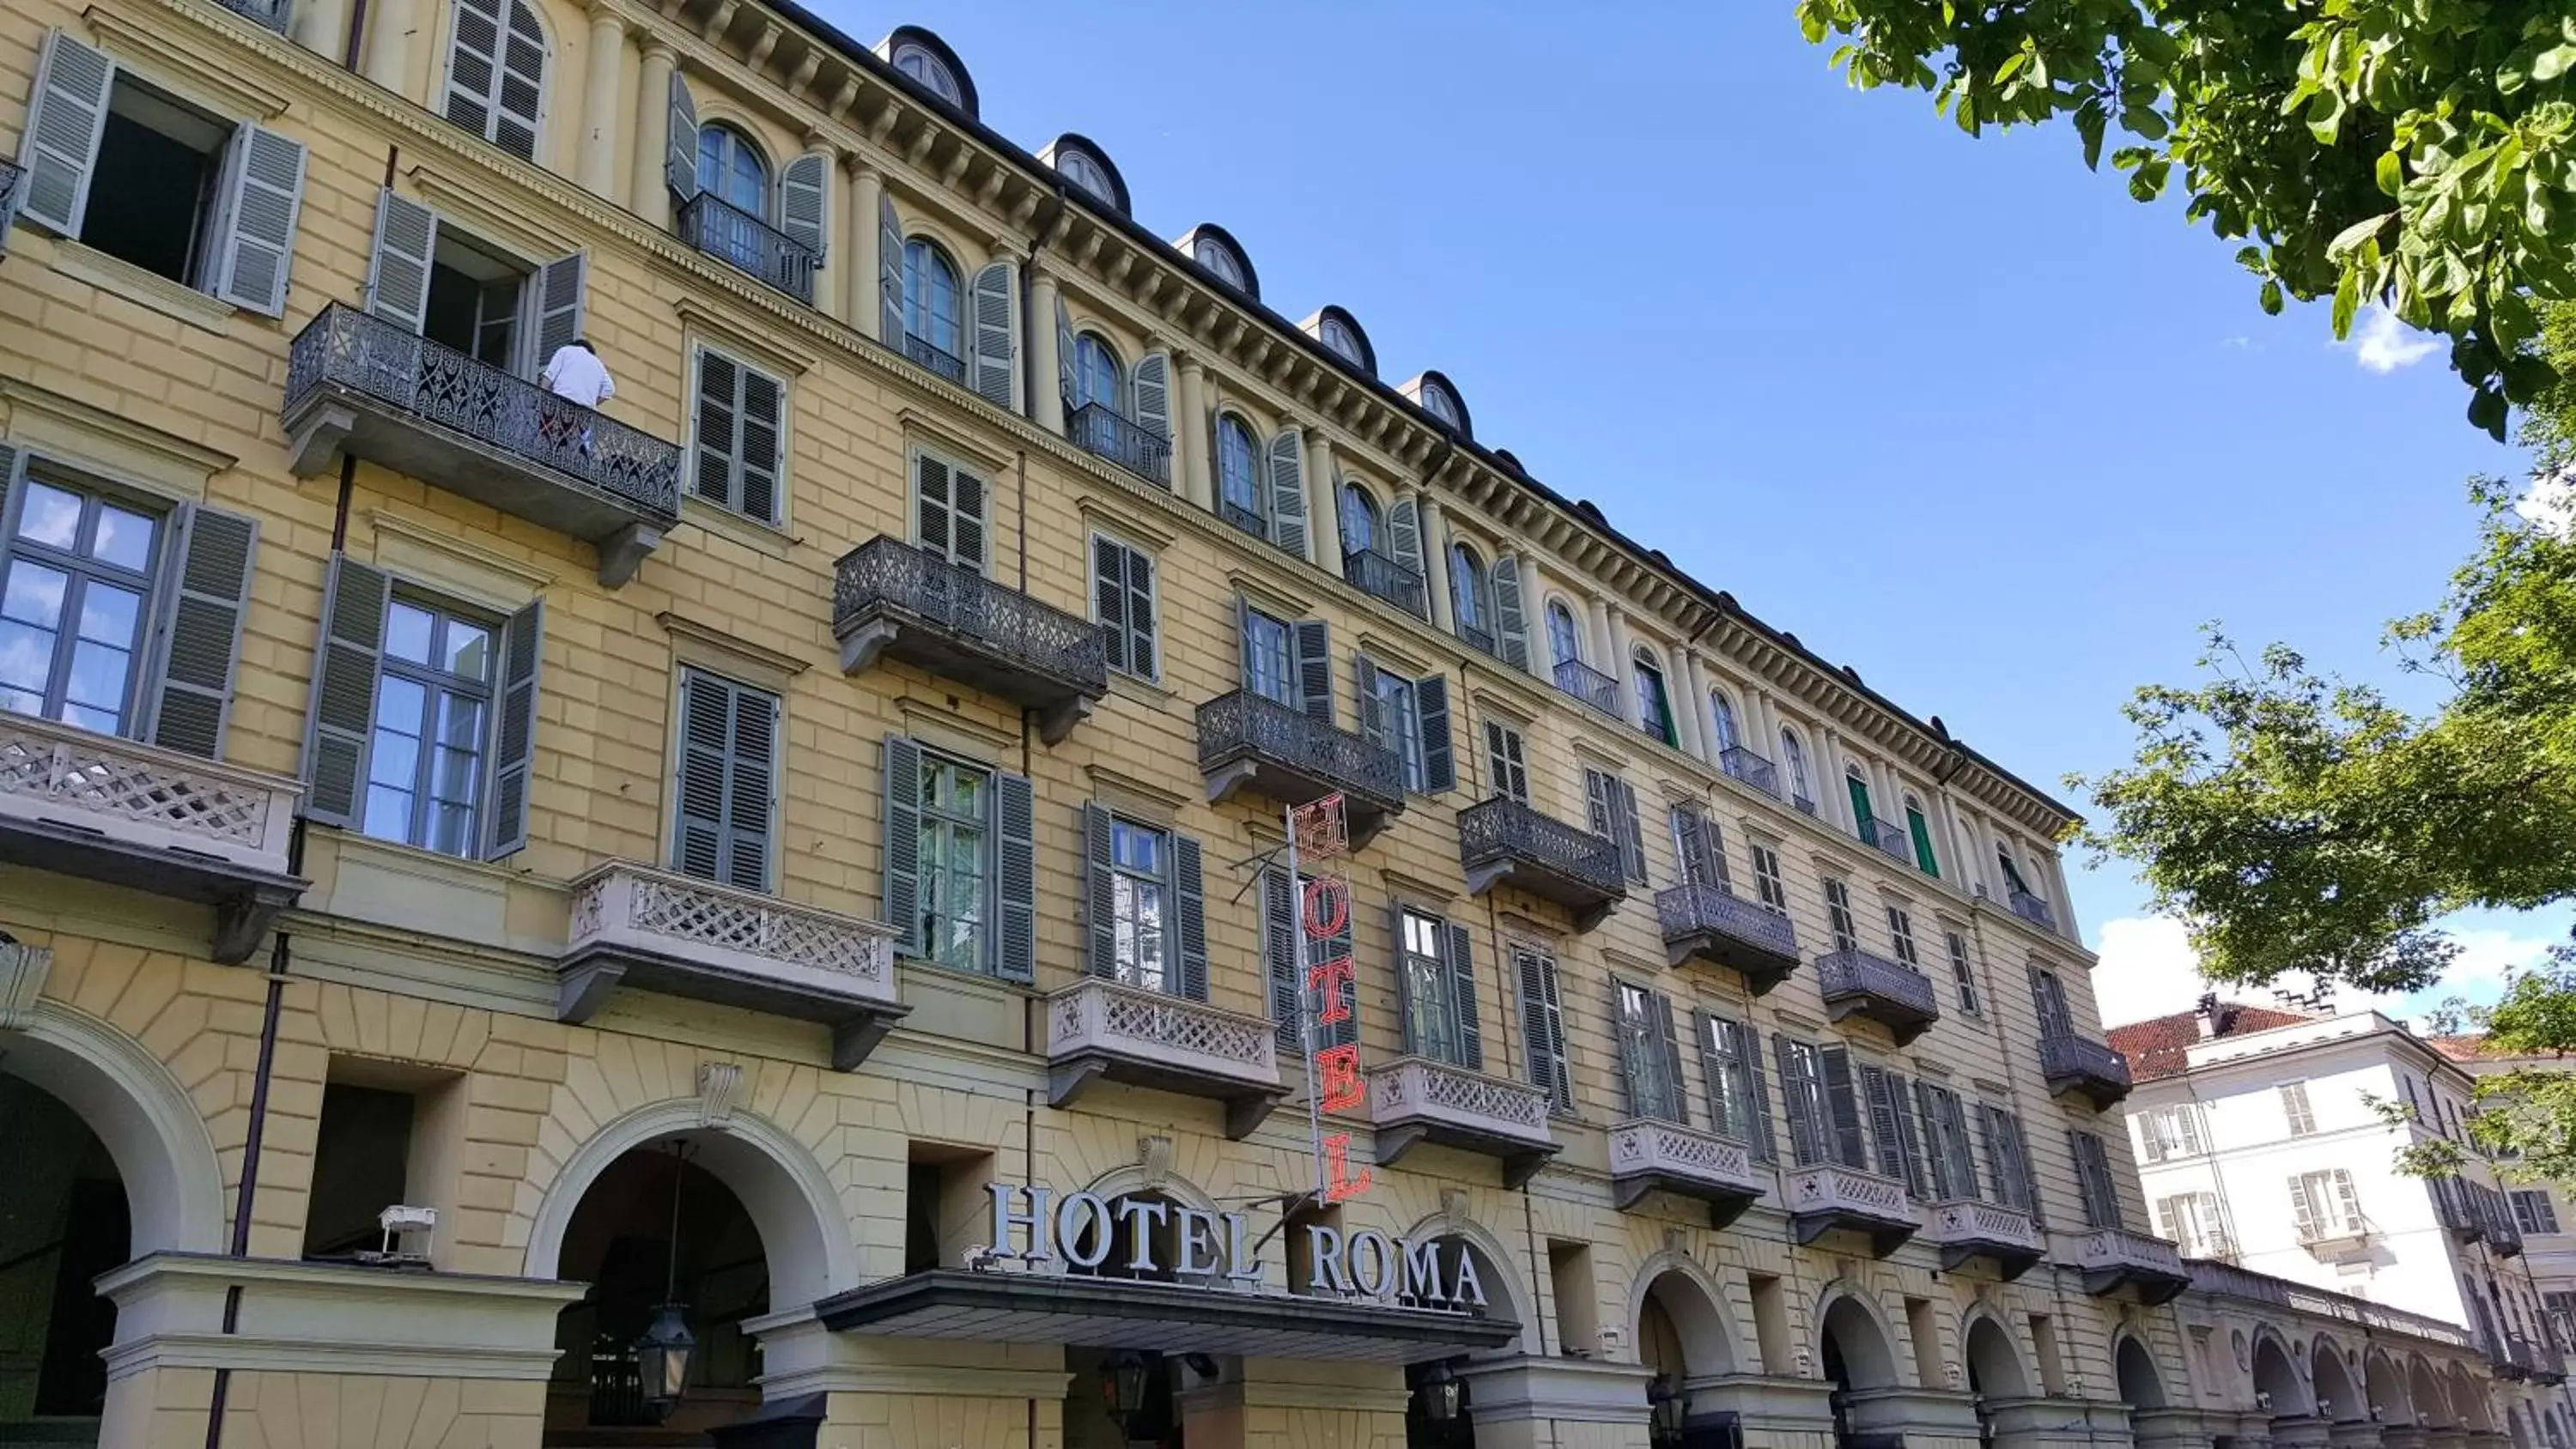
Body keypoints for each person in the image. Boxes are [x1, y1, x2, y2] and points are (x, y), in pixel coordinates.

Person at [538, 337, 614, 454]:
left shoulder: (565, 351)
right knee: (572, 444)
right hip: (584, 413)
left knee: (549, 438)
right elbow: (610, 390)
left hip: (561, 404)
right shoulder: (598, 364)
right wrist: (594, 402)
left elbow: (548, 377)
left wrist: (540, 398)